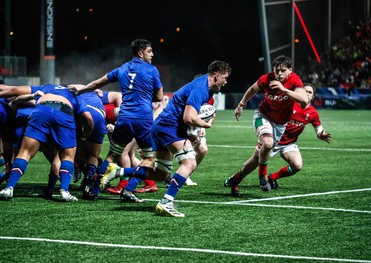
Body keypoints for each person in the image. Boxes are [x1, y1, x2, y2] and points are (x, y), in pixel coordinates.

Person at [102, 60, 231, 217]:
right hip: (168, 127)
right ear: (216, 76)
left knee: (161, 174)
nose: (226, 81)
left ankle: (118, 172)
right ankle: (166, 202)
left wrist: (190, 131)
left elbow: (186, 116)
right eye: (225, 77)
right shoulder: (200, 89)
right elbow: (189, 117)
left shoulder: (202, 85)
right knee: (189, 162)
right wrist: (205, 124)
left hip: (164, 126)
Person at [71, 38, 163, 200]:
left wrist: (81, 90)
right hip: (142, 119)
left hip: (124, 118)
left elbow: (99, 82)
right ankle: (129, 189)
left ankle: (94, 190)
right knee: (149, 158)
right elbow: (159, 96)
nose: (152, 54)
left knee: (112, 155)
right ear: (140, 53)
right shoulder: (152, 70)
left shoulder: (122, 69)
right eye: (150, 51)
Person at [224, 83, 332, 195]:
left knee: (297, 165)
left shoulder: (313, 113)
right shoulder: (289, 103)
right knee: (253, 163)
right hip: (272, 137)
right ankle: (235, 180)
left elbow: (319, 129)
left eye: (309, 92)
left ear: (313, 96)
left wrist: (321, 134)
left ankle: (272, 178)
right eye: (304, 91)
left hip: (289, 143)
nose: (306, 94)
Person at [224, 55, 308, 196]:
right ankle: (263, 176)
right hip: (263, 116)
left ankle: (235, 180)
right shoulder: (266, 79)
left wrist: (284, 90)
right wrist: (240, 105)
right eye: (277, 70)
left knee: (256, 159)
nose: (279, 73)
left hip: (280, 124)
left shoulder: (295, 80)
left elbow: (304, 100)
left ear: (290, 70)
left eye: (282, 70)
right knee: (268, 144)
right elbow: (252, 89)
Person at [0, 84, 94, 201]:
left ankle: (9, 188)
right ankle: (64, 191)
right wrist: (84, 136)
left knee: (25, 152)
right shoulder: (75, 95)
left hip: (42, 109)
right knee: (67, 156)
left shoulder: (47, 87)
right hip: (64, 111)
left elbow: (16, 90)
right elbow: (89, 120)